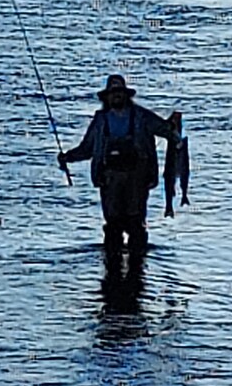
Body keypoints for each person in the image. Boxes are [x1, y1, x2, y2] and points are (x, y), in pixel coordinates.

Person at [58, 74, 181, 255]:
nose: (116, 96)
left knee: (135, 223)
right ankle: (112, 265)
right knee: (113, 224)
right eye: (113, 93)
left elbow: (168, 132)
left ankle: (137, 264)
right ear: (107, 97)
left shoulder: (142, 116)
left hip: (137, 179)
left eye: (120, 92)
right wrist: (68, 157)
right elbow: (87, 148)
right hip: (109, 179)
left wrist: (175, 127)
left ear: (126, 95)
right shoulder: (100, 120)